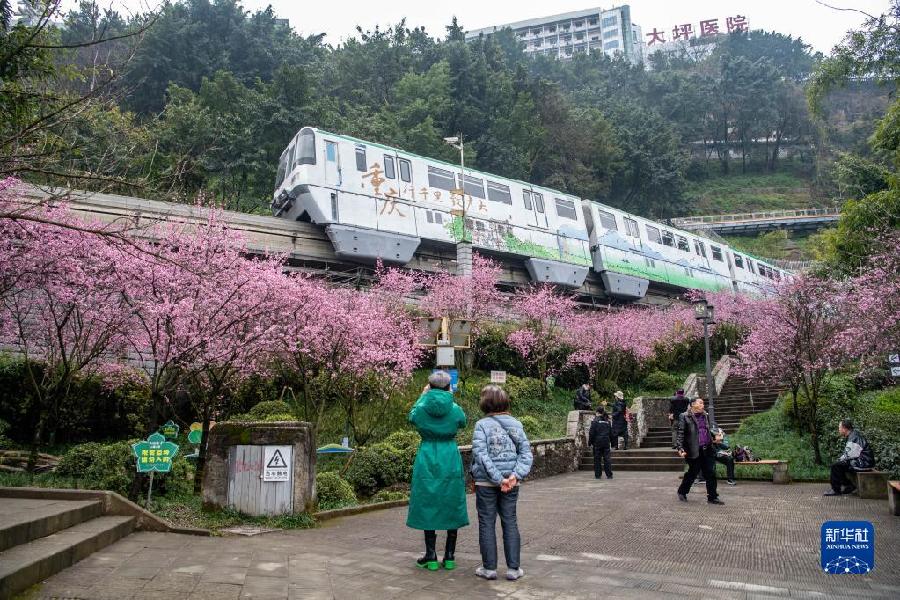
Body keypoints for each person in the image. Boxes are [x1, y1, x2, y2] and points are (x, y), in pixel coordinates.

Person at [406, 370, 469, 570]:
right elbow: (463, 422)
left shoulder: (422, 406)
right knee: (452, 499)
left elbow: (412, 417)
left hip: (427, 453)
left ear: (429, 386)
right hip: (449, 454)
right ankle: (449, 556)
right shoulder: (454, 407)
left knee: (427, 500)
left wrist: (422, 396)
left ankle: (431, 556)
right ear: (449, 387)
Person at [471, 384, 533, 582]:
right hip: (511, 484)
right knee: (510, 522)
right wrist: (514, 476)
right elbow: (525, 453)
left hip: (486, 484)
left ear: (485, 404)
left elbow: (480, 454)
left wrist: (498, 479)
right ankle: (513, 569)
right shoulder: (516, 424)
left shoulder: (481, 425)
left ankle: (489, 569)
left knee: (487, 523)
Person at [675, 397, 723, 505]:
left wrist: (715, 436)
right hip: (693, 450)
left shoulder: (704, 415)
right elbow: (681, 433)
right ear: (692, 404)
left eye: (703, 403)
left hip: (707, 448)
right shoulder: (684, 416)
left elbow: (706, 429)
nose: (703, 405)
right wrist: (680, 448)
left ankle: (712, 497)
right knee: (693, 472)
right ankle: (682, 491)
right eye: (700, 403)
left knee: (710, 473)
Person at [825, 419, 875, 497]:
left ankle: (836, 490)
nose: (839, 430)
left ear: (844, 428)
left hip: (864, 463)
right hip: (863, 461)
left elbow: (850, 454)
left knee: (836, 466)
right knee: (838, 465)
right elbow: (849, 453)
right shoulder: (853, 435)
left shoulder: (854, 437)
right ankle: (849, 485)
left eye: (839, 428)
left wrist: (839, 460)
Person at [588, 408, 613, 479]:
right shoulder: (608, 422)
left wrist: (590, 442)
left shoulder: (595, 422)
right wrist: (613, 443)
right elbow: (611, 433)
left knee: (597, 459)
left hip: (597, 443)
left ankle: (598, 475)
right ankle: (609, 475)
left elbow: (591, 433)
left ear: (597, 413)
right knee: (607, 459)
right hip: (606, 442)